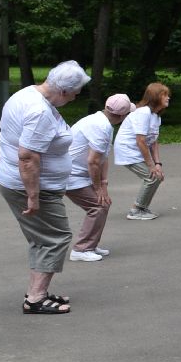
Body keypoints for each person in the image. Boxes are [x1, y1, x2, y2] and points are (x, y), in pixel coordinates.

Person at [0, 61, 89, 314]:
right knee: (55, 237)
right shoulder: (39, 112)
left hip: (18, 181)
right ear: (63, 91)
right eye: (74, 95)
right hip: (30, 187)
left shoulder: (27, 93)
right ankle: (35, 299)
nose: (74, 99)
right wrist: (33, 196)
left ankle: (38, 292)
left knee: (43, 237)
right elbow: (27, 157)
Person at [64, 94, 134, 262]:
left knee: (102, 204)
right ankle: (82, 249)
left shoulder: (101, 121)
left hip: (76, 172)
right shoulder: (101, 127)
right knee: (98, 206)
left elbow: (103, 157)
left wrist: (103, 184)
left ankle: (90, 245)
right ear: (122, 116)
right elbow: (93, 161)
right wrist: (98, 188)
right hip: (70, 175)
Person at [115, 82, 171, 220]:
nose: (168, 98)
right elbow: (140, 141)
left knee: (156, 176)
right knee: (152, 177)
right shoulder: (143, 113)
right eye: (165, 95)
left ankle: (141, 208)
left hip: (138, 151)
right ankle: (135, 211)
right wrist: (151, 166)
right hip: (127, 150)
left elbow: (153, 142)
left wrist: (158, 164)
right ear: (155, 97)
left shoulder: (156, 116)